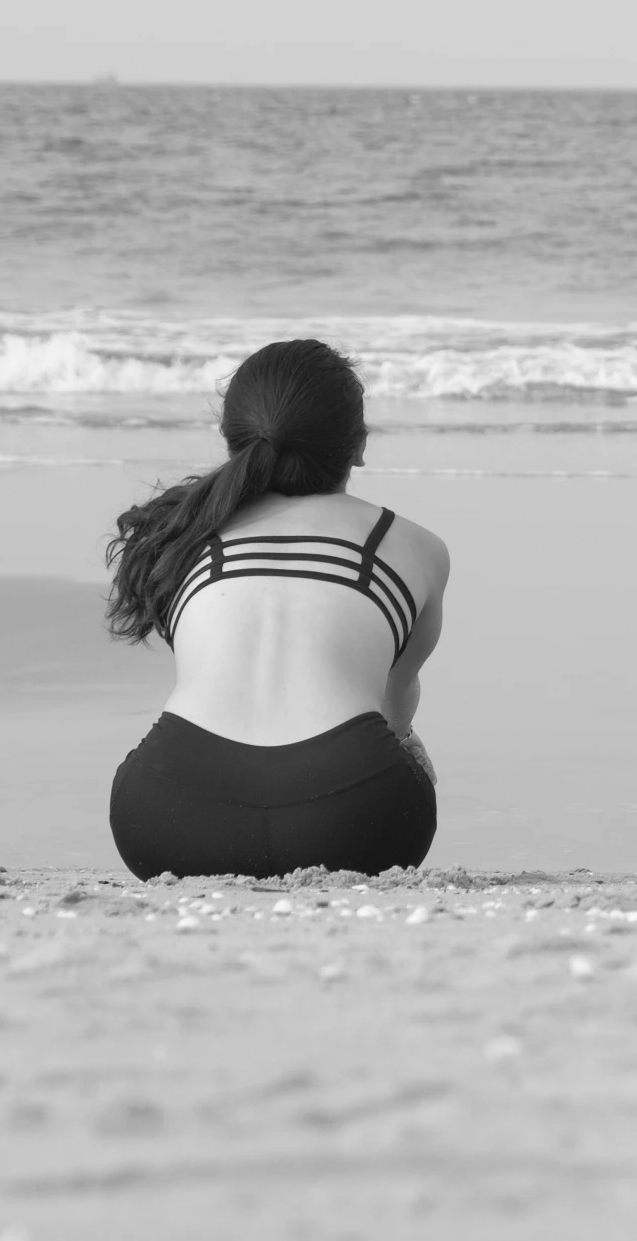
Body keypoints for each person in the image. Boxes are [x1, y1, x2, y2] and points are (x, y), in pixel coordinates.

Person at [103, 339, 448, 880]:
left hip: (167, 821)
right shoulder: (413, 546)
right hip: (360, 823)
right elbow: (396, 705)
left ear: (231, 440)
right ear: (358, 446)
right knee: (404, 745)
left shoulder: (180, 537)